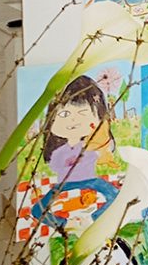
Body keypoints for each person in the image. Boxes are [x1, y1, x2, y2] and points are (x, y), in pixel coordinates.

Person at [32, 75, 119, 229]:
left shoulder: (92, 145)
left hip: (91, 180)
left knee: (116, 196)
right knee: (38, 210)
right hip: (64, 184)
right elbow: (53, 165)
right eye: (65, 114)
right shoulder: (59, 151)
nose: (73, 120)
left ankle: (94, 218)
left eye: (83, 113)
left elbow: (107, 151)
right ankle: (65, 224)